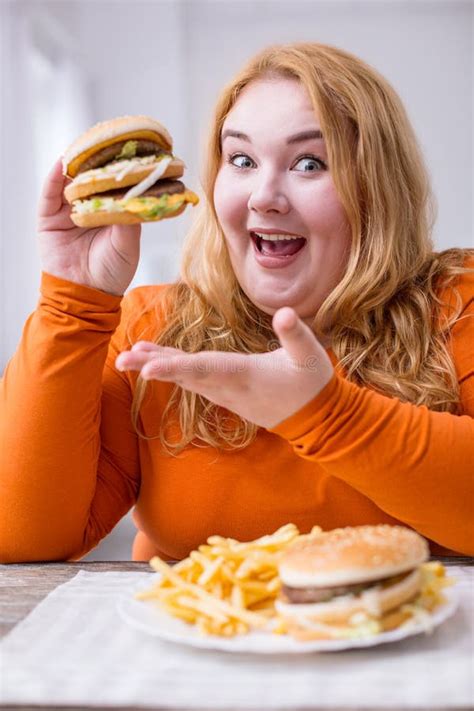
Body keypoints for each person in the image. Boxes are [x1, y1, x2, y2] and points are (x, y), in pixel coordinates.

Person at [0, 42, 472, 564]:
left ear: (378, 187)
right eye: (242, 159)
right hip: (194, 640)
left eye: (310, 163)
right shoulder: (155, 329)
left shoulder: (457, 306)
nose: (263, 196)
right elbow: (20, 536)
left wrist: (326, 414)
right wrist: (74, 302)